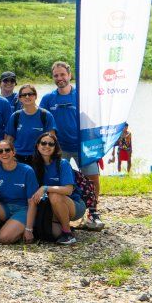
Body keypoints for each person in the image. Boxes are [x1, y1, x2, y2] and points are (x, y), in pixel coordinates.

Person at [39, 61, 102, 230]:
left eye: (62, 74)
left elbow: (93, 120)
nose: (60, 78)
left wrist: (97, 144)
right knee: (59, 180)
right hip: (60, 147)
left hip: (83, 146)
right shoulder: (48, 99)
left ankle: (93, 213)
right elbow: (44, 123)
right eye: (56, 75)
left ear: (69, 75)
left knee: (92, 178)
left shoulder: (81, 96)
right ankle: (60, 212)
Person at [25, 132, 82, 246]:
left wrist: (45, 188)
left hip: (73, 205)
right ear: (37, 145)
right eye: (43, 143)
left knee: (54, 195)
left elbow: (68, 190)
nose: (47, 146)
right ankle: (62, 225)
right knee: (52, 235)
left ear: (55, 147)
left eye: (51, 144)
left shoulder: (62, 163)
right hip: (50, 207)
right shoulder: (34, 166)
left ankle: (68, 234)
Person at [4, 84, 55, 162]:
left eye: (30, 94)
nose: (27, 97)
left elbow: (52, 140)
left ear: (35, 96)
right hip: (18, 158)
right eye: (23, 95)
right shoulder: (15, 116)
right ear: (20, 98)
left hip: (39, 157)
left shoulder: (46, 115)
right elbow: (9, 139)